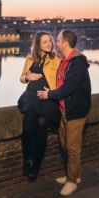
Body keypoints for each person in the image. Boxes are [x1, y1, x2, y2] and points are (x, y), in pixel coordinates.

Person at [37, 30, 91, 195]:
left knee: (73, 148)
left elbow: (68, 88)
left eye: (58, 40)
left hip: (75, 111)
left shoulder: (77, 62)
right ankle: (74, 173)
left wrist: (49, 94)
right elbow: (60, 82)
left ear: (65, 43)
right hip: (63, 109)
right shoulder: (65, 61)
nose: (56, 43)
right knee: (65, 145)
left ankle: (72, 181)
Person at [19, 31, 61, 182]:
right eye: (44, 42)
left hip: (47, 100)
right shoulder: (30, 59)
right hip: (31, 98)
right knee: (29, 127)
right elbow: (22, 78)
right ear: (38, 44)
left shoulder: (56, 59)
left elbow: (62, 80)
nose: (49, 44)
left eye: (50, 41)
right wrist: (27, 77)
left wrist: (51, 93)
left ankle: (35, 166)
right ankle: (28, 159)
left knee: (42, 125)